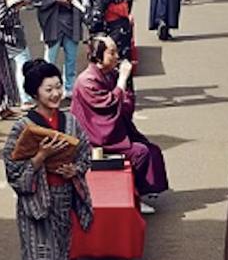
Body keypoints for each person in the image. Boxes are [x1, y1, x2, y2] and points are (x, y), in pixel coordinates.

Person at [3, 60, 92, 260]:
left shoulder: (71, 122)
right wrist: (40, 157)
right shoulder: (22, 127)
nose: (56, 93)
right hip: (34, 205)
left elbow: (85, 153)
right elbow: (13, 172)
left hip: (62, 199)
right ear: (35, 92)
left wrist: (73, 170)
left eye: (58, 87)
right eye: (49, 89)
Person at [72, 36, 168, 208]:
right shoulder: (86, 81)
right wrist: (122, 80)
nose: (117, 56)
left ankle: (145, 191)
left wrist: (125, 84)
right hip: (95, 137)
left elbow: (124, 107)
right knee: (141, 152)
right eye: (112, 53)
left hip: (111, 129)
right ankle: (136, 195)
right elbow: (107, 105)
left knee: (151, 149)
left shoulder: (109, 74)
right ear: (98, 56)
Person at [7, 0, 48, 104]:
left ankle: (9, 97)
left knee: (4, 63)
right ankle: (25, 97)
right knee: (22, 58)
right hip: (12, 23)